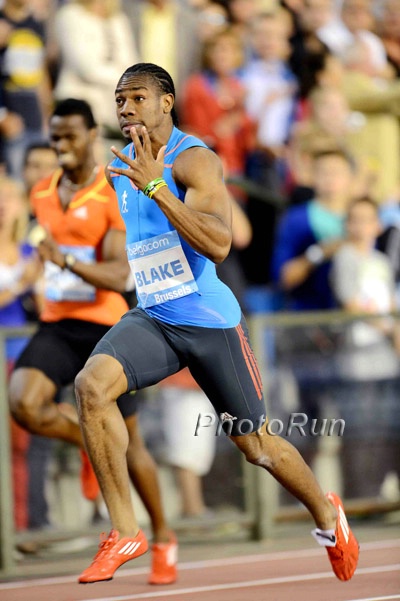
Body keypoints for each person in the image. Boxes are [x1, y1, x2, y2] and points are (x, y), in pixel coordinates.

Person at [74, 62, 359, 585]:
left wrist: (159, 187)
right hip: (154, 314)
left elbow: (219, 244)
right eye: (119, 98)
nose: (125, 107)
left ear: (167, 102)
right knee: (91, 387)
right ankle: (124, 530)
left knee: (258, 448)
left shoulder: (195, 160)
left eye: (137, 97)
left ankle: (326, 513)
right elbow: (137, 249)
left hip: (208, 321)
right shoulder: (118, 169)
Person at [8, 98, 177, 585]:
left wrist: (67, 263)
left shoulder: (112, 189)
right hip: (60, 322)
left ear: (91, 137)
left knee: (132, 448)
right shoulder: (41, 192)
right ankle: (88, 444)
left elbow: (120, 272)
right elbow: (46, 253)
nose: (60, 145)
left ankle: (163, 535)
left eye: (69, 136)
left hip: (107, 325)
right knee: (24, 404)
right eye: (54, 135)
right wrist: (40, 271)